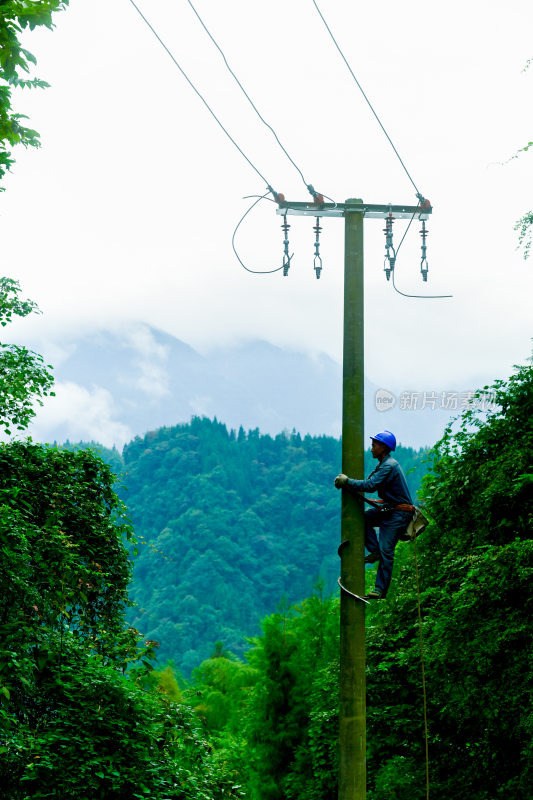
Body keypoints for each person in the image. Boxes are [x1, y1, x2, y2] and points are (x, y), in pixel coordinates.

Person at [334, 430, 413, 600]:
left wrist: (347, 481)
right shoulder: (384, 464)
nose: (371, 448)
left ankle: (379, 590)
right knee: (362, 519)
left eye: (374, 445)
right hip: (390, 510)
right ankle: (374, 551)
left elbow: (370, 485)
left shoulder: (389, 466)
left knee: (387, 550)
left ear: (383, 448)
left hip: (398, 514)